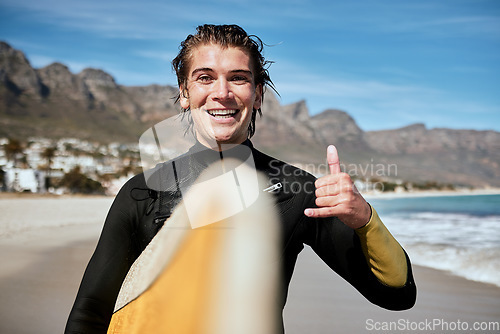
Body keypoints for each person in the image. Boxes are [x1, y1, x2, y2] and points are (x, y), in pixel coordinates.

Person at [65, 24, 416, 333]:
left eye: (238, 78)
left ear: (258, 93)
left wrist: (366, 220)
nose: (222, 92)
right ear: (185, 93)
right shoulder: (143, 191)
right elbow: (91, 313)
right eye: (205, 78)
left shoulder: (296, 189)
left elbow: (397, 295)